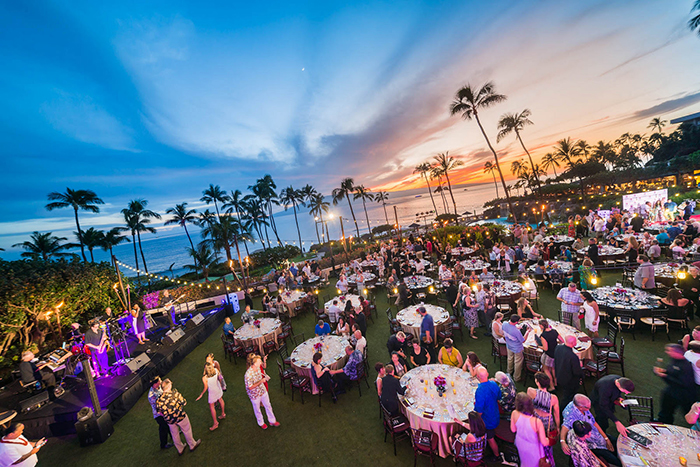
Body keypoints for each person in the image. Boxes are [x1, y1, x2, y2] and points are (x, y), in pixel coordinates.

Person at [561, 395, 621, 466]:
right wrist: (562, 441)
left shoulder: (582, 406)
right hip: (593, 445)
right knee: (617, 462)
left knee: (618, 443)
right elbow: (565, 427)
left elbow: (594, 422)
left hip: (597, 436)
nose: (589, 409)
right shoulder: (570, 414)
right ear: (580, 407)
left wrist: (606, 438)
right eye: (587, 407)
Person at [156, 379, 202, 455]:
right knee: (187, 430)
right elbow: (184, 402)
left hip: (170, 420)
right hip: (180, 416)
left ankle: (180, 449)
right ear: (169, 386)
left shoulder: (159, 400)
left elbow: (159, 412)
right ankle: (192, 445)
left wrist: (167, 415)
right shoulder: (175, 394)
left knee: (175, 435)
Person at [654, 343, 696, 424]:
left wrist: (664, 376)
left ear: (677, 353)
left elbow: (683, 383)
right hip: (672, 390)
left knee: (688, 411)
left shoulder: (686, 366)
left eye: (669, 351)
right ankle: (664, 420)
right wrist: (664, 372)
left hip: (684, 393)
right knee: (666, 402)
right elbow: (672, 372)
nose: (667, 352)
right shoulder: (674, 360)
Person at [527, 372, 559, 466]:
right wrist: (557, 427)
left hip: (536, 419)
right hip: (548, 422)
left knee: (535, 438)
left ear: (537, 382)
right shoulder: (553, 398)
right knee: (548, 441)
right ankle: (550, 461)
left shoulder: (531, 391)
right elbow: (556, 414)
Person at [510, 392, 548, 467]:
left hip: (520, 443)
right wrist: (549, 440)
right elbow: (544, 442)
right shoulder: (537, 422)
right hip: (533, 449)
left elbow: (513, 430)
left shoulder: (514, 413)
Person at [245, 354, 280, 427]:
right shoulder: (248, 374)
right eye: (259, 361)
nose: (261, 362)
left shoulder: (258, 368)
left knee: (268, 405)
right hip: (254, 394)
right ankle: (261, 423)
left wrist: (265, 377)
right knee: (257, 409)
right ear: (255, 363)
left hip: (262, 390)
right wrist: (261, 381)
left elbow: (261, 375)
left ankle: (272, 420)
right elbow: (250, 387)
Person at [473, 367, 500, 460]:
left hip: (488, 420)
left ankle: (496, 455)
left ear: (477, 376)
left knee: (490, 438)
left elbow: (479, 411)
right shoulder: (493, 384)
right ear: (487, 374)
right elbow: (498, 396)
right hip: (496, 414)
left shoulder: (480, 391)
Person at [555, 335, 584, 410]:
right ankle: (562, 411)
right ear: (574, 343)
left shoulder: (558, 347)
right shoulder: (573, 357)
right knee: (567, 398)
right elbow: (577, 372)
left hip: (559, 375)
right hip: (569, 381)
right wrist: (580, 363)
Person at [195, 362, 226, 431]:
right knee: (220, 399)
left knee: (211, 406)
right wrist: (220, 384)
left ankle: (215, 423)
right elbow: (220, 377)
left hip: (212, 392)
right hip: (218, 388)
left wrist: (201, 394)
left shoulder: (204, 378)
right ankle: (223, 414)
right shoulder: (216, 370)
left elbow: (206, 387)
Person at [502, 315, 531, 382]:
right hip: (517, 348)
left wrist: (516, 327)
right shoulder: (516, 331)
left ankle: (509, 372)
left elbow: (509, 329)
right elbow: (523, 340)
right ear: (516, 322)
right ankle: (516, 377)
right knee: (518, 362)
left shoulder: (504, 324)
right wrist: (527, 332)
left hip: (509, 345)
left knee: (510, 359)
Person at [148, 376, 173, 450]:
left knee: (168, 424)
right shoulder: (152, 395)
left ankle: (173, 435)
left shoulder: (159, 388)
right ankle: (164, 444)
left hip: (164, 411)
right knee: (163, 428)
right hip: (159, 414)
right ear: (155, 383)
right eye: (160, 380)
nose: (161, 381)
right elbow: (157, 406)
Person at [536, 319, 562, 390]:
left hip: (548, 354)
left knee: (546, 370)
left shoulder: (543, 335)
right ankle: (556, 382)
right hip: (555, 353)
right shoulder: (554, 331)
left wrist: (538, 346)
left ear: (541, 326)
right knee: (553, 368)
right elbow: (562, 340)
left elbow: (545, 348)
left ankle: (552, 386)